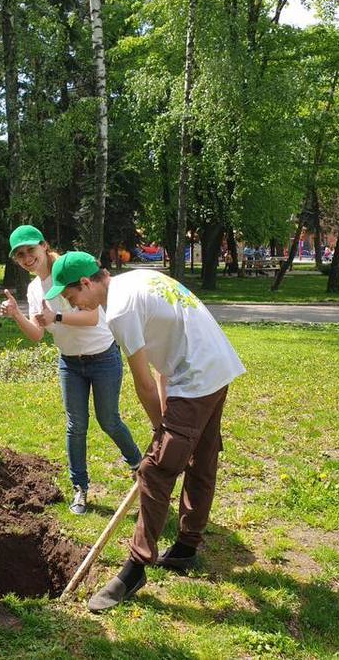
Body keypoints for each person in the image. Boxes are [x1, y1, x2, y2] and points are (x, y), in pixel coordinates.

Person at [45, 252, 245, 613]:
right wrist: (164, 422)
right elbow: (159, 365)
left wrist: (160, 429)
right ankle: (186, 548)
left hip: (198, 376)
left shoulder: (119, 310)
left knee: (155, 469)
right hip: (217, 364)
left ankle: (136, 568)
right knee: (201, 459)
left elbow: (142, 384)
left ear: (87, 284)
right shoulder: (136, 279)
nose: (69, 302)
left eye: (71, 295)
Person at [0, 226, 142, 515]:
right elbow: (38, 333)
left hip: (103, 357)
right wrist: (17, 315)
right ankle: (80, 488)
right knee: (75, 426)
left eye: (31, 251)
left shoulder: (68, 270)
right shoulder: (33, 288)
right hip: (70, 363)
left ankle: (141, 467)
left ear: (44, 245)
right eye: (21, 255)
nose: (27, 259)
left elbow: (91, 317)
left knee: (109, 420)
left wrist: (58, 316)